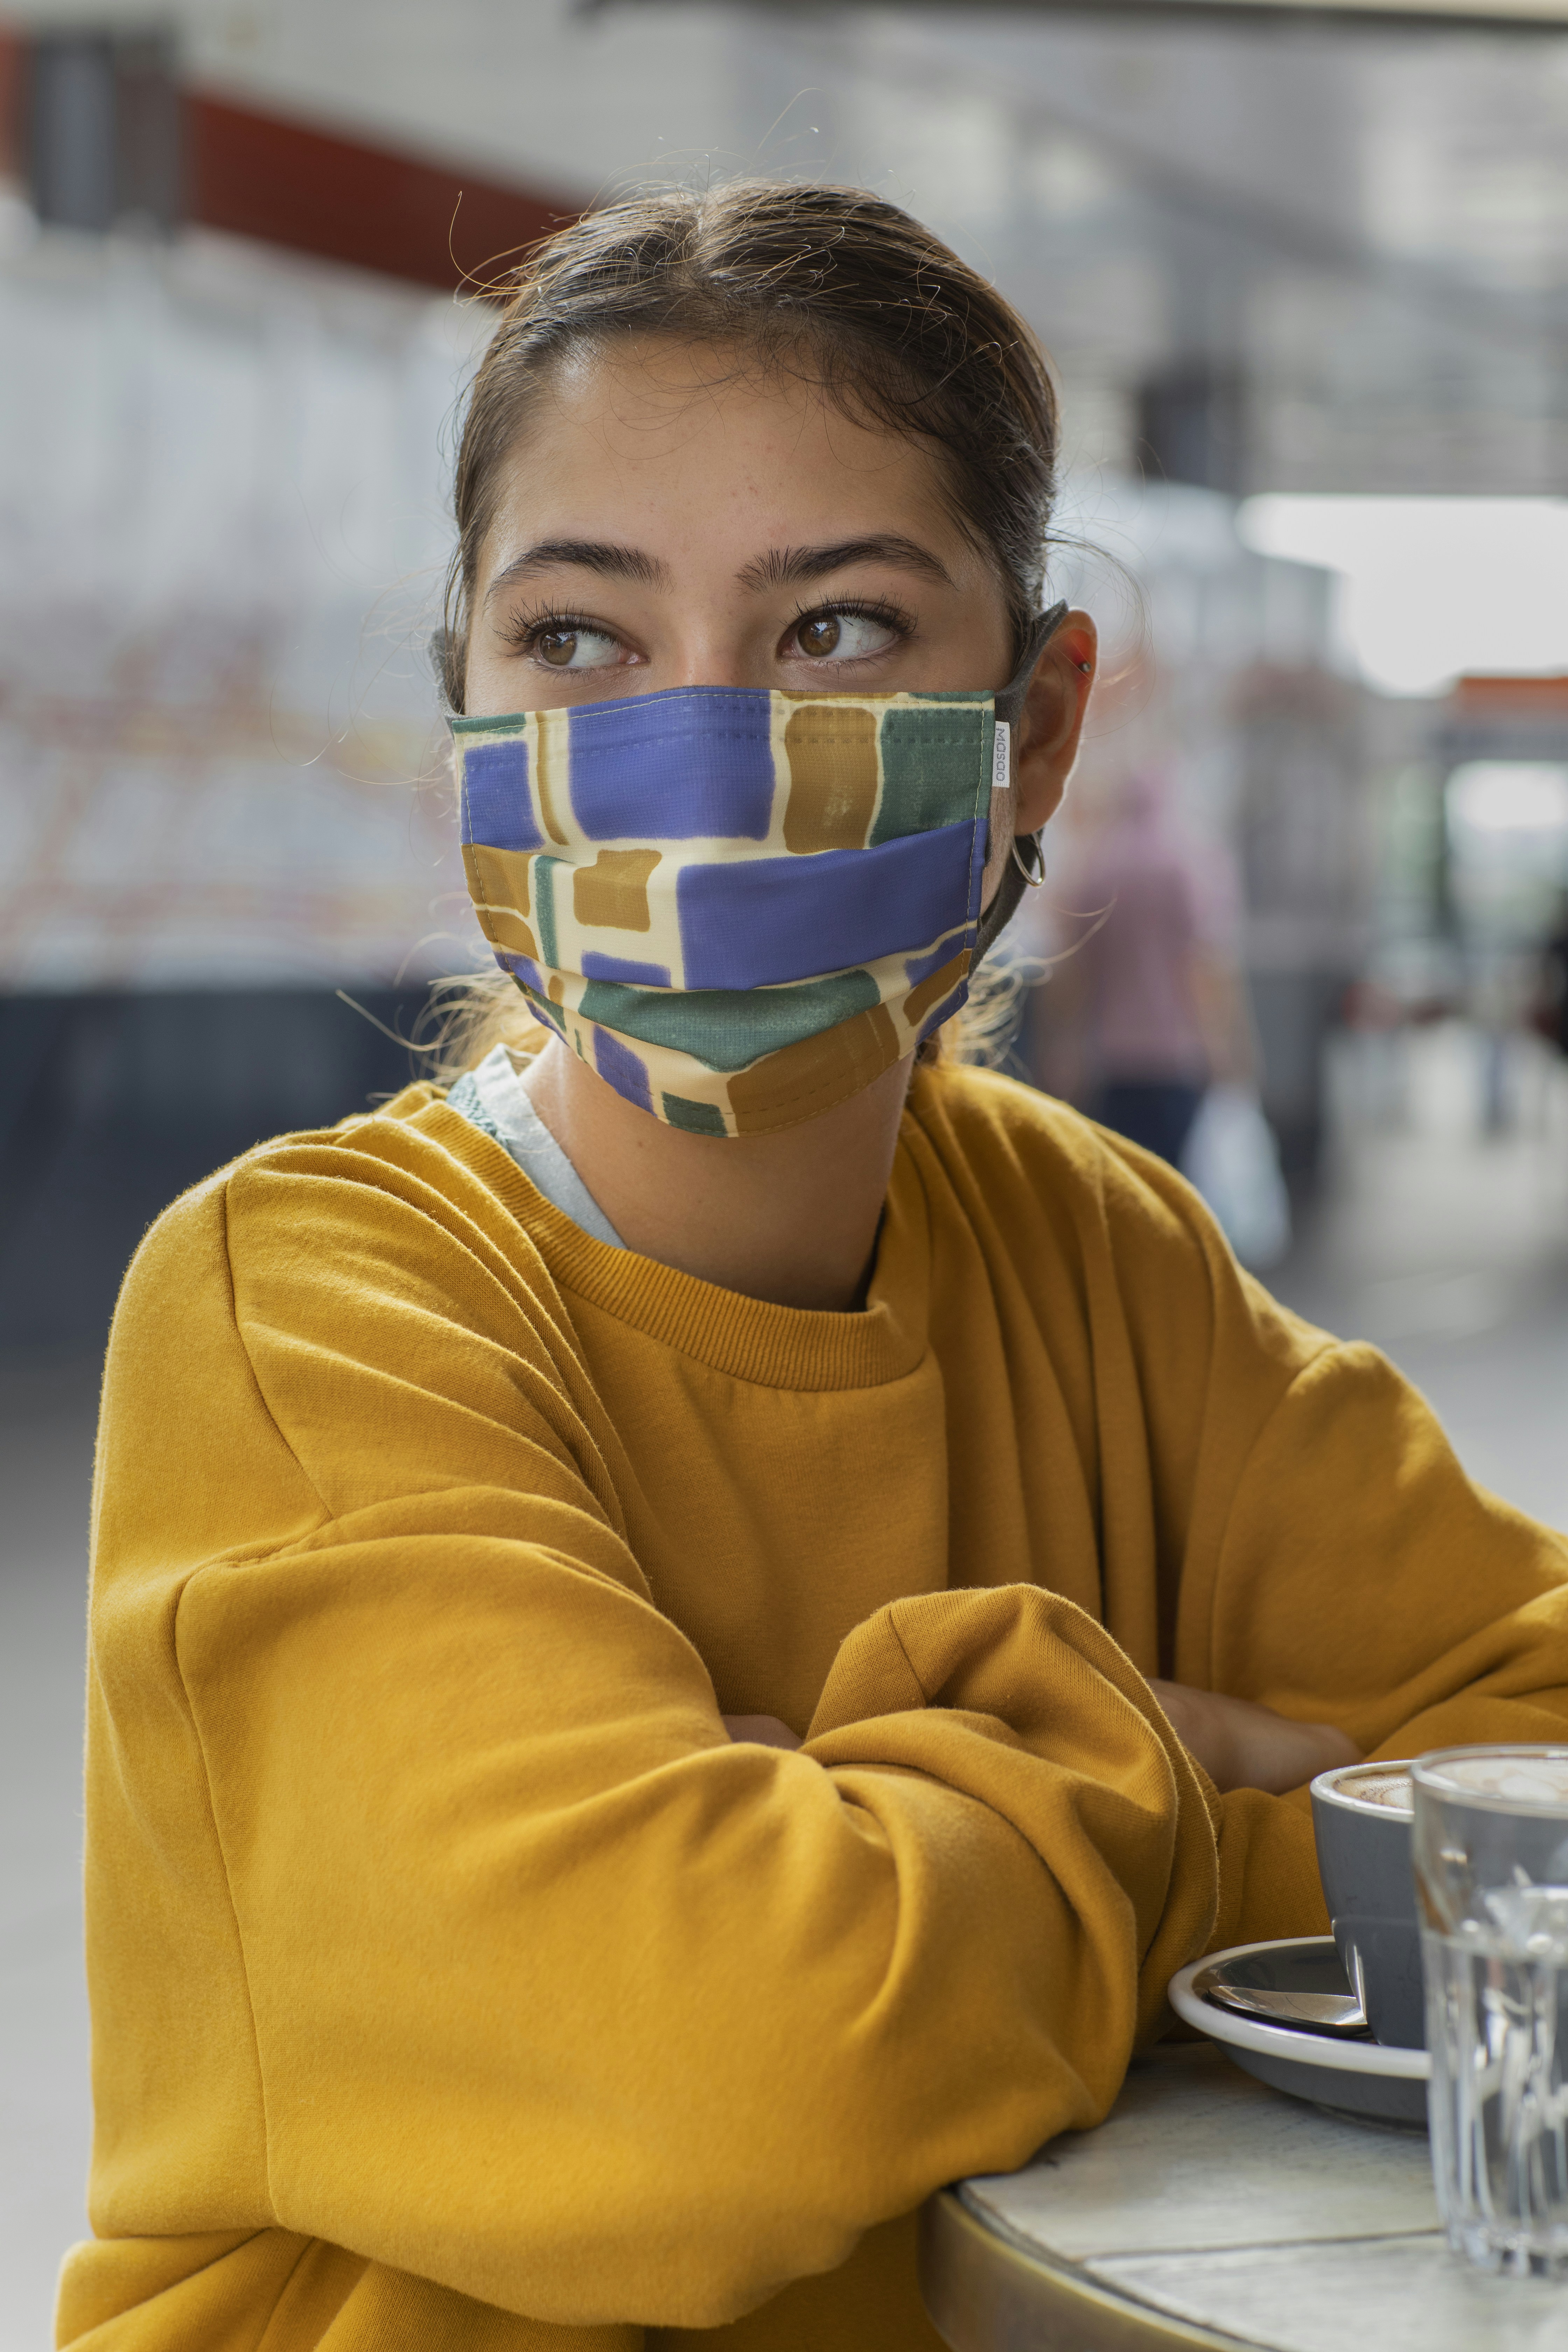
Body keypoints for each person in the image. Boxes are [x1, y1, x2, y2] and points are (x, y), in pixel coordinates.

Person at [63, 183, 1568, 2352]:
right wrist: (1168, 1793)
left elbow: (1530, 1779)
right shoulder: (306, 1307)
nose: (696, 750)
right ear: (464, 709)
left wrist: (868, 1830)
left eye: (835, 628)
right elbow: (707, 2071)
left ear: (1034, 728)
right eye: (578, 637)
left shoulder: (1093, 1255)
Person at [1024, 768, 1252, 1169]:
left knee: (1125, 1179)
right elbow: (1206, 967)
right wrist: (1230, 1047)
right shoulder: (1189, 865)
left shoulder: (1096, 867)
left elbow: (1073, 974)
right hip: (1179, 1058)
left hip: (1112, 1060)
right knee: (1177, 1180)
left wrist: (1060, 1047)